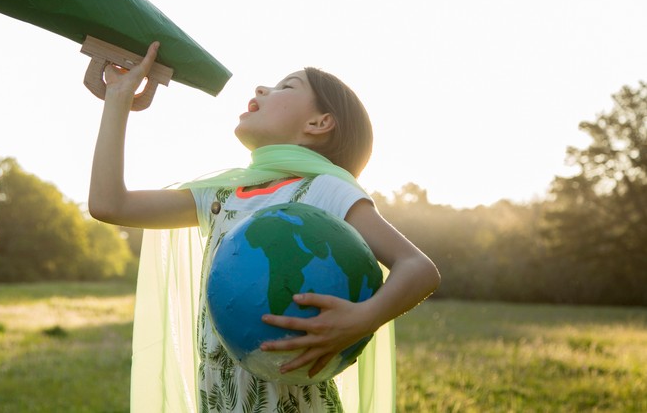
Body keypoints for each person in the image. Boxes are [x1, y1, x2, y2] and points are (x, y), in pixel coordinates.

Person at [89, 41, 440, 413]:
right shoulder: (223, 194)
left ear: (319, 123)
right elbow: (110, 204)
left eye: (286, 86)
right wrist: (118, 97)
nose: (260, 89)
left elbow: (418, 268)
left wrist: (363, 319)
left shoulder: (325, 190)